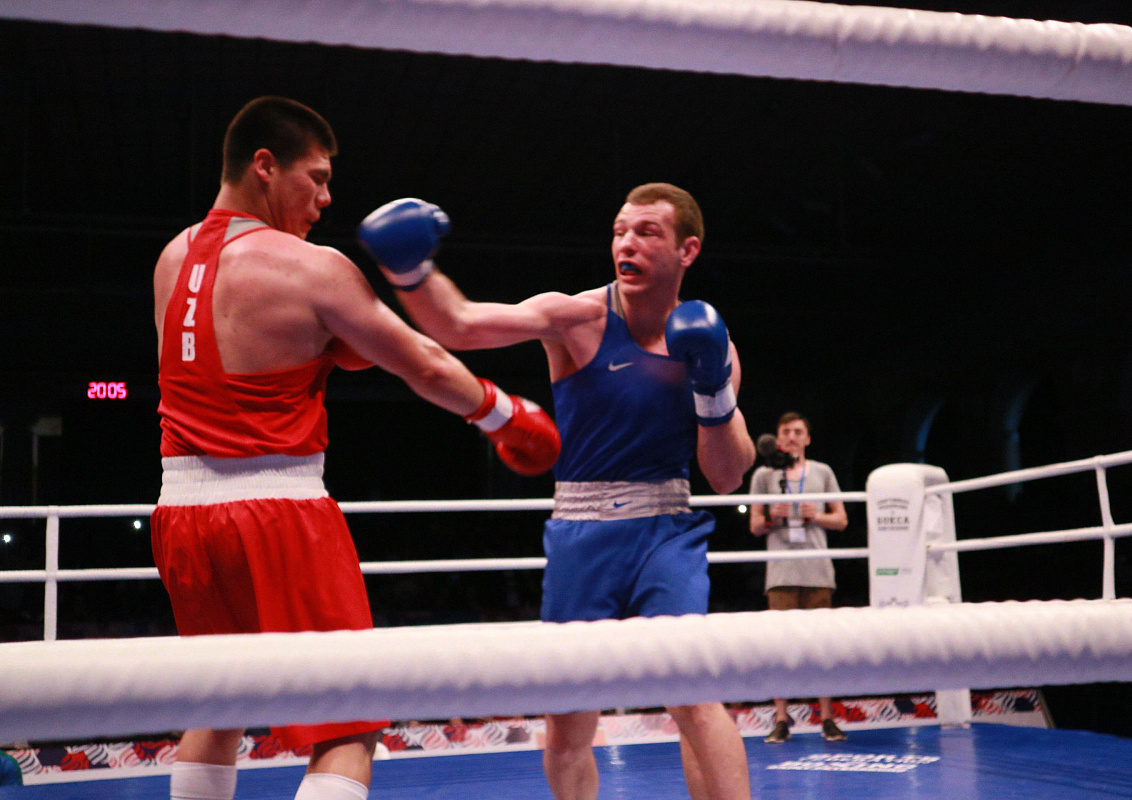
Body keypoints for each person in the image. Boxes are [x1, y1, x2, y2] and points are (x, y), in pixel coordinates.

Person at [151, 96, 559, 800]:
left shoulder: (171, 258)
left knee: (216, 708)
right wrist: (504, 414)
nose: (326, 198)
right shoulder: (311, 267)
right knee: (347, 726)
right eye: (316, 177)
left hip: (181, 515)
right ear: (265, 165)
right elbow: (424, 364)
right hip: (279, 510)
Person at [357, 183, 756, 800]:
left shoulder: (712, 342)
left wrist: (712, 390)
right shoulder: (578, 317)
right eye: (620, 230)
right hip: (581, 532)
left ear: (687, 250)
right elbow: (460, 324)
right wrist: (411, 271)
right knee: (569, 725)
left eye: (646, 231)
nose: (626, 243)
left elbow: (727, 475)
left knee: (696, 697)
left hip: (666, 531)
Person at [748, 412, 849, 743]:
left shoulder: (822, 471)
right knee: (781, 647)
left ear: (807, 438)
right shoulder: (763, 475)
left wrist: (816, 515)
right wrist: (771, 518)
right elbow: (754, 525)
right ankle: (781, 719)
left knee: (822, 648)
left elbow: (841, 520)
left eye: (797, 431)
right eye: (786, 432)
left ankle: (828, 718)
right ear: (777, 439)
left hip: (818, 571)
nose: (791, 437)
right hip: (781, 573)